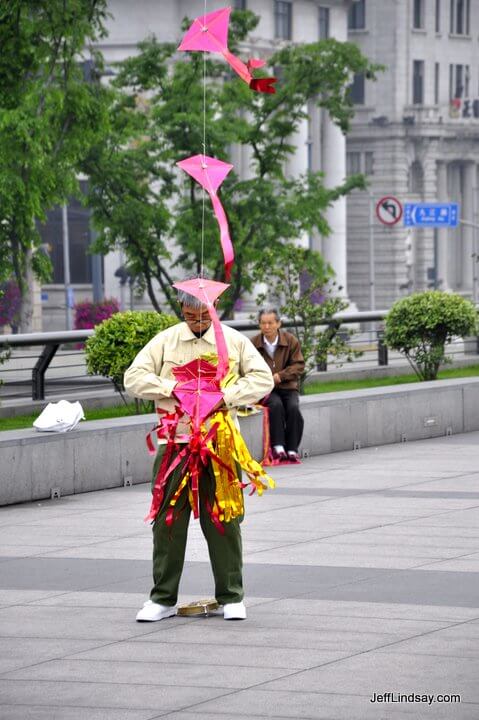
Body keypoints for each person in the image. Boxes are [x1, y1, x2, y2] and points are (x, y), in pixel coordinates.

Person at [124, 287, 274, 622]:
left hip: (219, 445)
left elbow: (263, 378)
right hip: (174, 444)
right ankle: (162, 598)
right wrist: (170, 389)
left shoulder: (233, 341)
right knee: (167, 521)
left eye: (204, 316)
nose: (197, 323)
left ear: (215, 307)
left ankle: (231, 596)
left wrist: (226, 397)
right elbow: (133, 377)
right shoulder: (166, 340)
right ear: (181, 309)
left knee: (223, 519)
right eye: (190, 317)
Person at [251, 309, 305, 463]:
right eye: (263, 323)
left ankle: (292, 449)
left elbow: (298, 365)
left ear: (278, 324)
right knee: (275, 405)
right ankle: (278, 447)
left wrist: (280, 376)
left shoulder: (290, 340)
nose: (266, 326)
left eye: (270, 323)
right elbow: (248, 367)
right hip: (266, 389)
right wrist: (266, 379)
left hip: (288, 387)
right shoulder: (253, 343)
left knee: (293, 408)